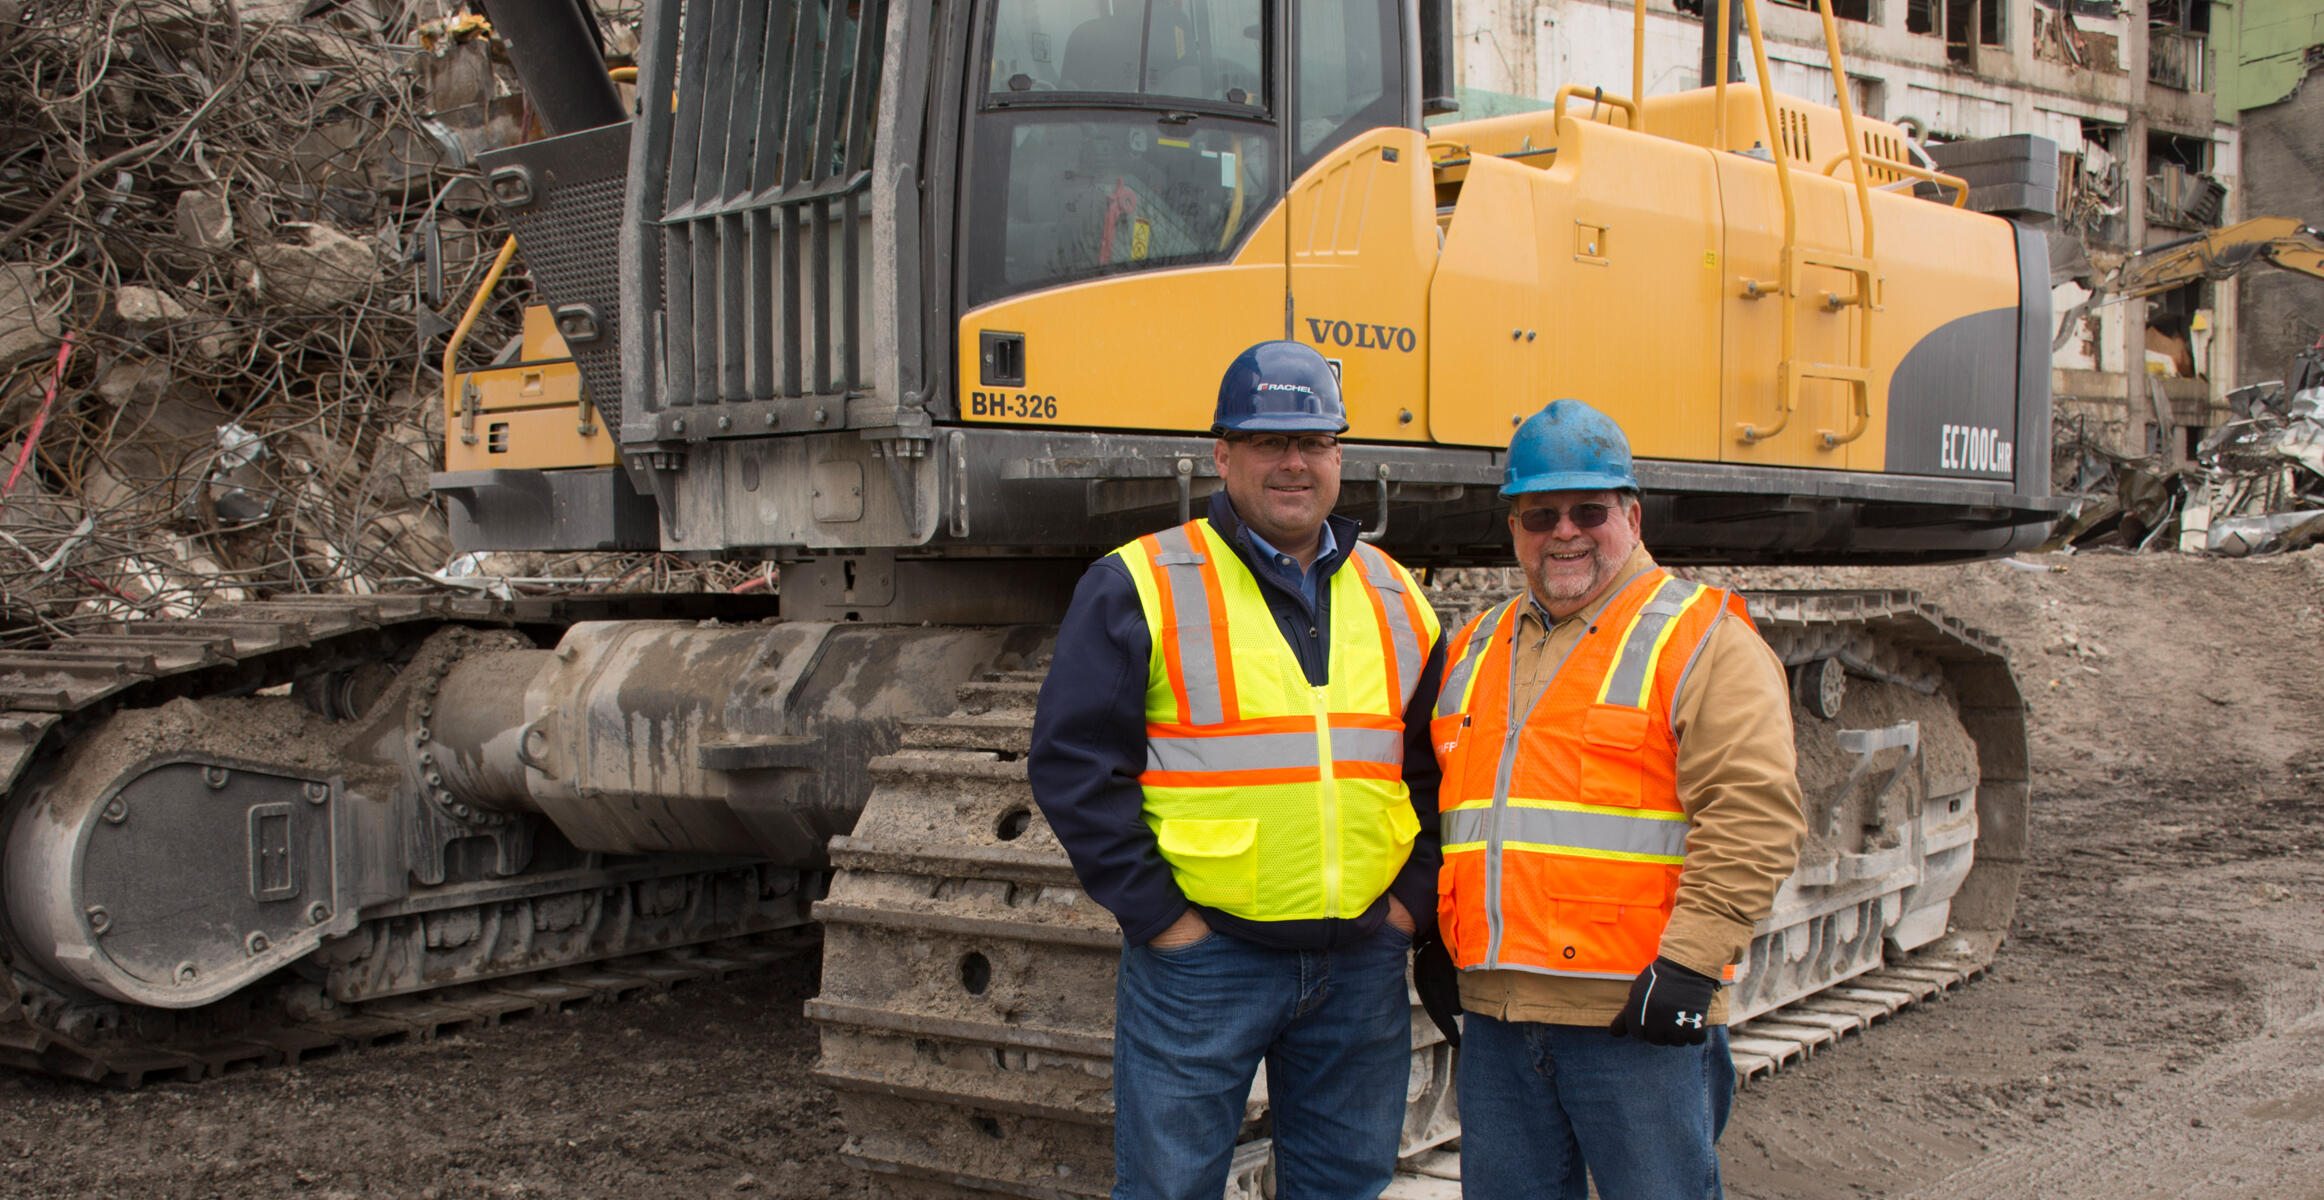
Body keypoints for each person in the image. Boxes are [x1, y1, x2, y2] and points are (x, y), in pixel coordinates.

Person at [1029, 340, 1447, 1200]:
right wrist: (1161, 920)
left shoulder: (1398, 593)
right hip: (1203, 962)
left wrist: (1407, 907)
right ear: (1224, 456)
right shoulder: (1139, 582)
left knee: (1342, 1188)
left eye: (1314, 442)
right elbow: (1073, 766)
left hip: (1361, 957)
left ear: (1339, 455)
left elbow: (1439, 768)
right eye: (1268, 443)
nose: (1293, 463)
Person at [1423, 398, 1806, 1200]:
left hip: (1635, 1012)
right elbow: (1454, 809)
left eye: (1588, 510)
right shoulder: (1476, 644)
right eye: (1540, 514)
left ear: (1630, 515)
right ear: (1514, 527)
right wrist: (1435, 930)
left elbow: (1753, 815)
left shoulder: (1698, 637)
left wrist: (1691, 966)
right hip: (1498, 1016)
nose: (1564, 530)